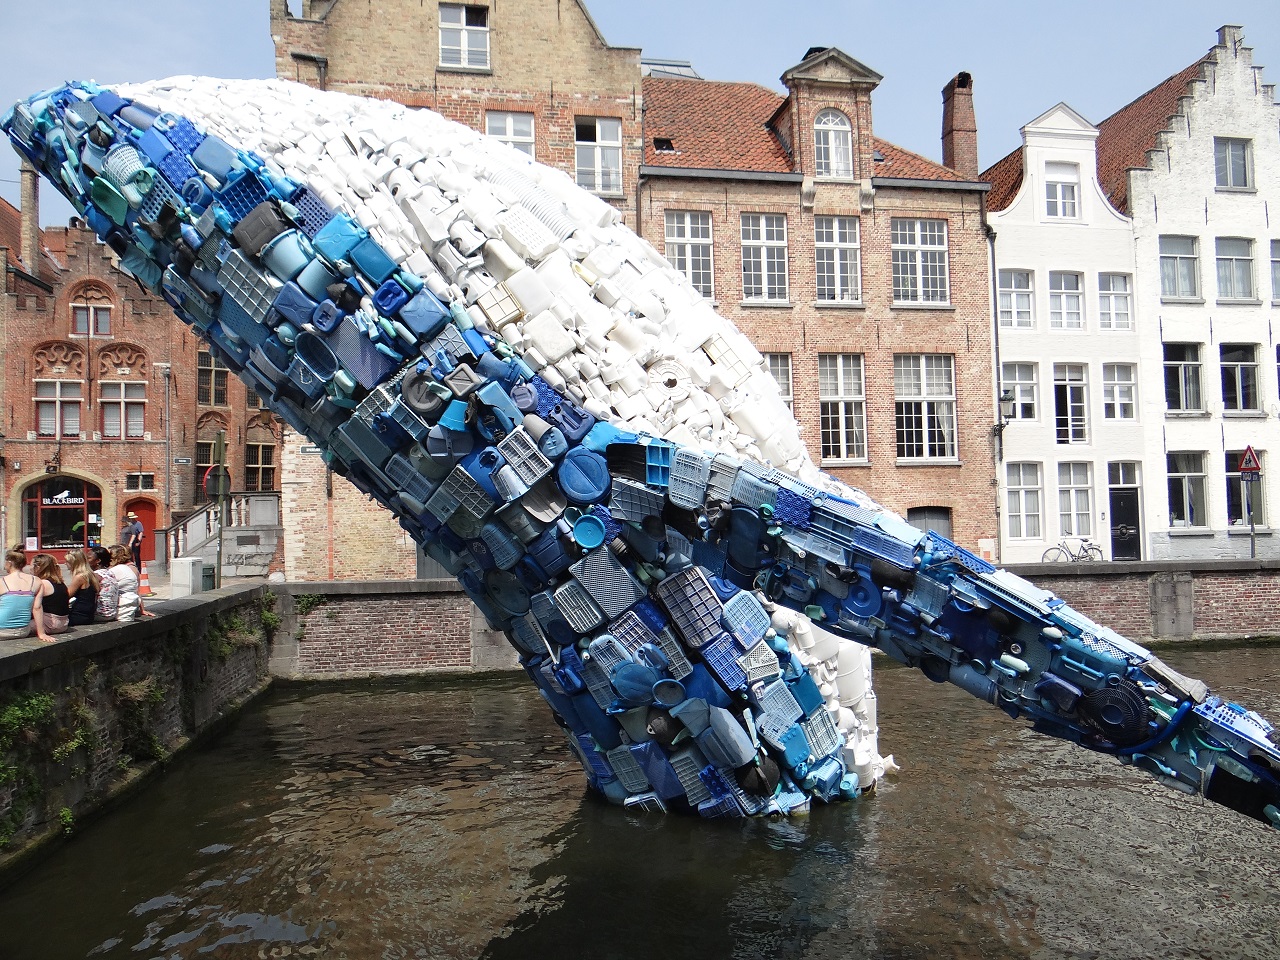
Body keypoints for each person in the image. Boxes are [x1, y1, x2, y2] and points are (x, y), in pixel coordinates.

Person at [0, 548, 54, 642]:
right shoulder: (36, 581)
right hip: (23, 631)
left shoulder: (2, 581)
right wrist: (41, 633)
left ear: (9, 563)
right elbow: (37, 608)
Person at [106, 544, 154, 621]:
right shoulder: (122, 567)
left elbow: (137, 590)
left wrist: (142, 609)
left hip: (125, 607)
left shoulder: (128, 568)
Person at [31, 553, 70, 636]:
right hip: (63, 623)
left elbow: (33, 606)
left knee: (15, 628)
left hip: (50, 623)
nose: (30, 569)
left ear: (37, 567)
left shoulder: (43, 583)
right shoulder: (60, 583)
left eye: (31, 566)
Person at [65, 548, 100, 628]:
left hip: (79, 616)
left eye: (67, 561)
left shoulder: (80, 577)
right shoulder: (90, 574)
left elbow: (66, 596)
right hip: (88, 614)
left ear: (74, 562)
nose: (65, 563)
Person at [92, 546, 120, 623]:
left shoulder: (96, 575)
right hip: (112, 613)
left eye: (88, 558)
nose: (86, 561)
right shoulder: (110, 573)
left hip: (100, 614)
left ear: (98, 561)